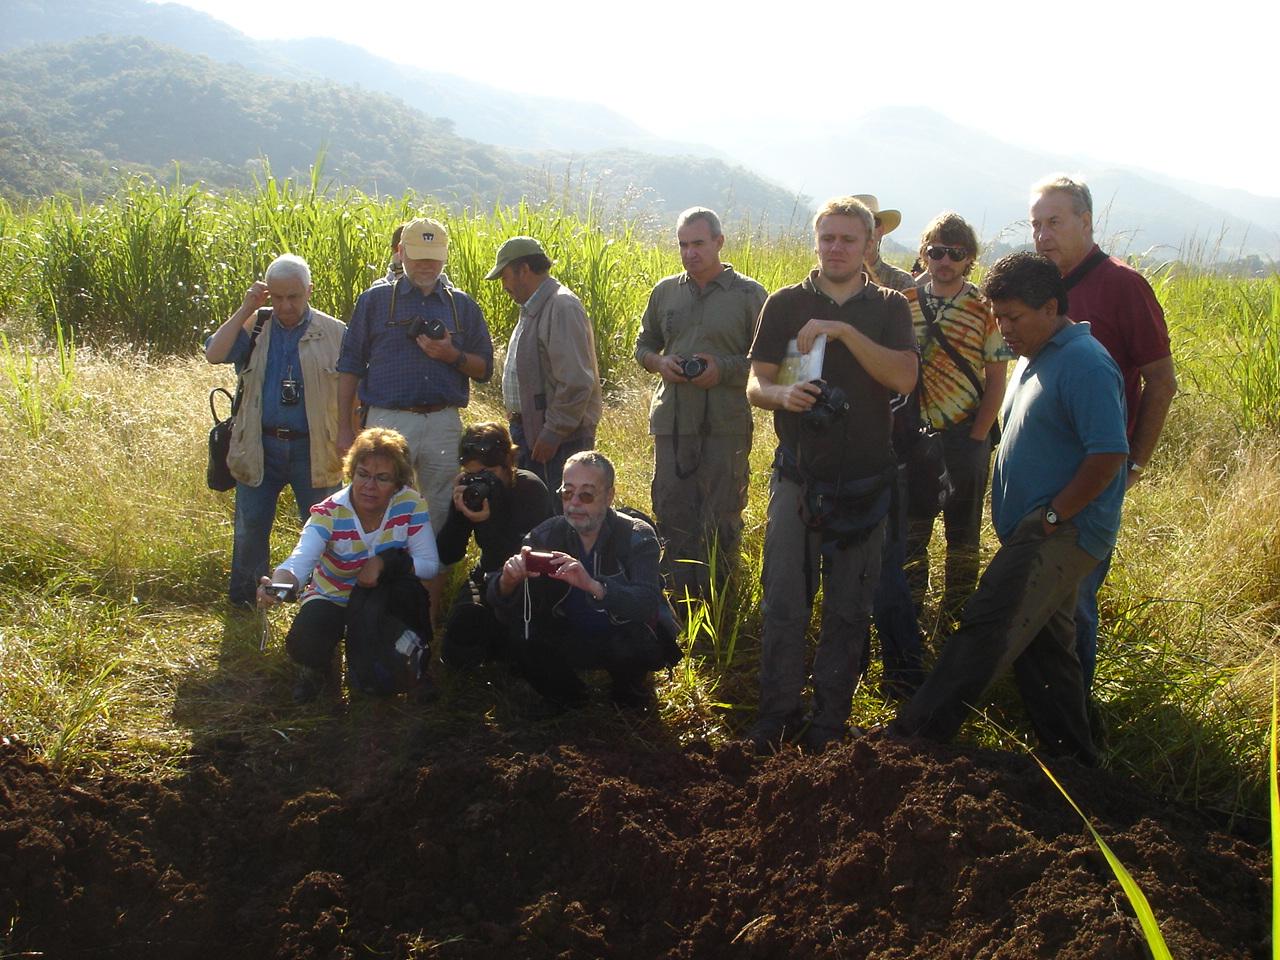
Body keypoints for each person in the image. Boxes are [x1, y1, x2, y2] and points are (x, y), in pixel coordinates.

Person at [889, 253, 1128, 765]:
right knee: (1046, 653)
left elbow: (1109, 454)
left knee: (987, 627)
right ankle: (1079, 763)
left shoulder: (1085, 362)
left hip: (1058, 533)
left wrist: (1050, 518)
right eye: (998, 317)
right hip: (1039, 528)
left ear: (1050, 307)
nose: (1004, 329)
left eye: (1015, 318)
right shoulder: (1035, 356)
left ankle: (910, 743)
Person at [745, 196, 918, 754]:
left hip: (866, 482)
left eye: (848, 239)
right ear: (815, 241)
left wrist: (842, 332)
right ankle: (777, 714)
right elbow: (756, 384)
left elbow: (905, 379)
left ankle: (829, 724)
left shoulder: (891, 306)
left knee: (849, 607)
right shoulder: (784, 302)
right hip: (798, 477)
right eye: (828, 238)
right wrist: (783, 395)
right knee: (783, 602)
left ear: (870, 245)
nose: (836, 248)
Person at [1031, 175, 1177, 690]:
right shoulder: (1041, 288)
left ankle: (1076, 725)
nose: (1042, 235)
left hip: (1094, 472)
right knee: (1037, 594)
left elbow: (1161, 379)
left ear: (1086, 222)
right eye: (1035, 224)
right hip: (1039, 473)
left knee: (1077, 597)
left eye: (1054, 222)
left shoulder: (1123, 285)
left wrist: (1135, 463)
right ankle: (1045, 701)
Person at [337, 216, 494, 622]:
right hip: (389, 418)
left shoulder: (463, 306)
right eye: (419, 257)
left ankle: (428, 603)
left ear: (445, 257)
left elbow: (483, 368)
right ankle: (374, 597)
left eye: (434, 258)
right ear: (401, 252)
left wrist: (450, 355)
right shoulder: (375, 301)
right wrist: (343, 427)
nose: (427, 266)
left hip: (443, 420)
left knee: (441, 506)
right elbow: (350, 364)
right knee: (377, 499)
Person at [634, 207, 767, 600]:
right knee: (672, 512)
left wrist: (722, 369)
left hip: (726, 425)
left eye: (698, 243)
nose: (689, 253)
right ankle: (677, 604)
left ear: (719, 243)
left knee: (722, 518)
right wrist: (660, 363)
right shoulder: (665, 292)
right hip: (674, 423)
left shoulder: (748, 294)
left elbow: (768, 364)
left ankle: (722, 605)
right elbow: (643, 346)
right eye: (682, 245)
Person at [257, 427, 440, 703]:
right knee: (306, 640)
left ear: (399, 483)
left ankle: (412, 667)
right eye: (362, 474)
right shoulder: (329, 512)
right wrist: (279, 584)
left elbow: (429, 565)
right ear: (351, 473)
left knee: (406, 599)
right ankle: (316, 668)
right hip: (334, 595)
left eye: (382, 478)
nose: (369, 486)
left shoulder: (411, 506)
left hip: (383, 597)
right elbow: (300, 559)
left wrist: (385, 563)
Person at [205, 253, 346, 609]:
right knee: (251, 529)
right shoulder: (255, 327)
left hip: (315, 447)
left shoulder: (335, 332)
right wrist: (246, 307)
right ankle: (246, 604)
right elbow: (214, 353)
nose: (285, 305)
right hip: (259, 444)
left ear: (310, 291)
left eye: (294, 297)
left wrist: (351, 436)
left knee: (322, 529)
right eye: (278, 297)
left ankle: (319, 602)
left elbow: (354, 390)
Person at [487, 451, 679, 710]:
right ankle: (567, 695)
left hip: (621, 635)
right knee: (522, 638)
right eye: (567, 493)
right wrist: (508, 580)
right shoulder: (545, 535)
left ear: (609, 496)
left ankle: (627, 688)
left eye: (586, 495)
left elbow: (646, 603)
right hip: (570, 634)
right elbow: (496, 597)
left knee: (634, 647)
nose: (574, 503)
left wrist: (592, 585)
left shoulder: (635, 535)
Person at [902, 213, 1012, 619]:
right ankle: (909, 618)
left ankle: (955, 620)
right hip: (914, 437)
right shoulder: (904, 303)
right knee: (912, 533)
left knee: (962, 537)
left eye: (956, 253)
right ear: (924, 254)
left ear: (969, 258)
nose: (945, 260)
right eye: (936, 252)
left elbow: (996, 379)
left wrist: (977, 437)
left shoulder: (985, 308)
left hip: (966, 434)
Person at [485, 236, 602, 503]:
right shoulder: (536, 307)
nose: (503, 285)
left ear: (524, 270)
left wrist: (553, 431)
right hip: (535, 432)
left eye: (505, 276)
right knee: (538, 511)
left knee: (560, 511)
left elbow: (575, 382)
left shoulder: (561, 306)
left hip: (557, 440)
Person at [436, 421, 554, 668]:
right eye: (472, 473)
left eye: (488, 473)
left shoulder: (529, 488)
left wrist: (488, 521)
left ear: (508, 463)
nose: (481, 480)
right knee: (458, 646)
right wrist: (459, 515)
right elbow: (448, 554)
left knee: (519, 647)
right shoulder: (470, 490)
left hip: (530, 581)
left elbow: (527, 558)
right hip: (488, 574)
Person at [854, 194, 915, 292]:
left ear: (880, 231)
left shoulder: (901, 281)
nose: (864, 231)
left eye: (871, 223)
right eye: (855, 224)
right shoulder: (829, 279)